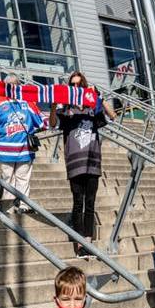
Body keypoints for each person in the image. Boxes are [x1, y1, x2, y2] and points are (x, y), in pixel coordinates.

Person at [55, 71, 107, 255]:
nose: (76, 87)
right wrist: (54, 103)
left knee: (90, 202)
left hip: (92, 161)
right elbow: (54, 122)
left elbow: (110, 116)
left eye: (79, 85)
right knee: (78, 202)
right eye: (73, 85)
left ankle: (88, 241)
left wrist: (98, 96)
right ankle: (79, 244)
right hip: (75, 162)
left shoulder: (92, 108)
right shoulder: (66, 108)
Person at [0, 84, 45, 211]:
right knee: (8, 179)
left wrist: (33, 129)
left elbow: (43, 121)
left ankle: (23, 205)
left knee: (21, 178)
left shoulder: (28, 102)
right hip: (6, 149)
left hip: (24, 149)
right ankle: (9, 206)